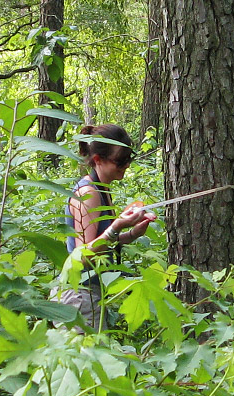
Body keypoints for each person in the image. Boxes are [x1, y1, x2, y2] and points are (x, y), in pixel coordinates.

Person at [53, 124, 157, 330]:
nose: (126, 165)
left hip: (92, 293)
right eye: (120, 160)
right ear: (98, 160)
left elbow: (102, 242)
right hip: (79, 296)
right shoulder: (88, 193)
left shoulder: (102, 189)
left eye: (129, 158)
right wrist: (117, 225)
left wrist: (131, 233)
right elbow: (83, 255)